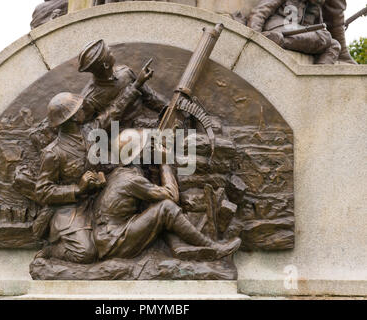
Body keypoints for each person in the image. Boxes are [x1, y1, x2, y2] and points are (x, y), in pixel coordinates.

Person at [33, 83, 151, 263]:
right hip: (71, 209)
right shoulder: (53, 153)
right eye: (79, 109)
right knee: (86, 253)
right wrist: (77, 189)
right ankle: (52, 251)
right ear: (72, 118)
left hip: (98, 195)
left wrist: (136, 85)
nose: (83, 109)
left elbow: (114, 111)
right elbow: (42, 191)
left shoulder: (89, 131)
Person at [92, 129, 242, 261]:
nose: (152, 149)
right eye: (148, 147)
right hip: (115, 241)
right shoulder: (133, 180)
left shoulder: (120, 173)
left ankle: (183, 247)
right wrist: (165, 162)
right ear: (139, 154)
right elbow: (171, 195)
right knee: (166, 208)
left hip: (107, 238)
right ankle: (212, 248)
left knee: (155, 209)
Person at [78, 39, 168, 130]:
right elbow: (89, 130)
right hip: (122, 138)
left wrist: (170, 108)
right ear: (106, 65)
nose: (112, 52)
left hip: (146, 123)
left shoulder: (125, 72)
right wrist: (135, 86)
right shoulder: (89, 99)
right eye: (109, 52)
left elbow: (150, 97)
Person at [247, 0, 341, 64]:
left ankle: (318, 78)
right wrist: (254, 35)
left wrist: (313, 9)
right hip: (277, 26)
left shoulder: (313, 6)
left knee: (334, 44)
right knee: (324, 36)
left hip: (295, 31)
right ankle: (272, 38)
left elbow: (314, 31)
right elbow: (261, 11)